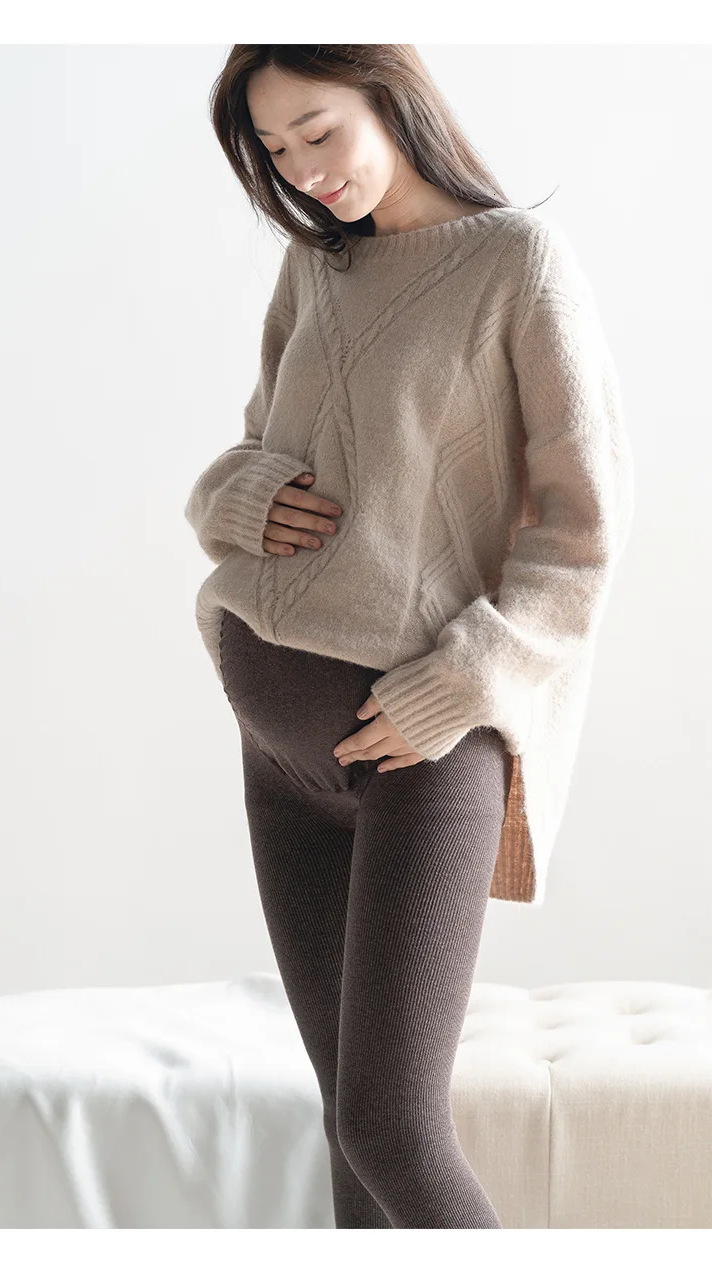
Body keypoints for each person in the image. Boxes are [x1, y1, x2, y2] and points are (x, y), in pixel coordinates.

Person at [184, 45, 634, 1230]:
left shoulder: (516, 262)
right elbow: (254, 449)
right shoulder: (314, 267)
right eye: (275, 150)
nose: (304, 170)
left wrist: (466, 680)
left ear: (390, 96)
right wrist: (232, 496)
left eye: (318, 131)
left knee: (392, 1125)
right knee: (349, 1126)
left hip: (420, 750)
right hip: (279, 757)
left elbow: (584, 528)